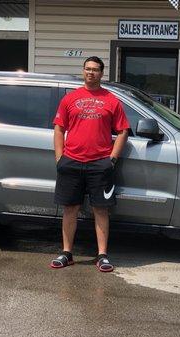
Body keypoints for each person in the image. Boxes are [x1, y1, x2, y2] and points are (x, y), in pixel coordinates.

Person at [50, 56, 129, 272]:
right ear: (83, 71)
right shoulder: (70, 99)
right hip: (71, 161)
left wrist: (111, 159)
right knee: (70, 208)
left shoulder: (112, 100)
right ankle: (67, 253)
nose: (91, 72)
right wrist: (60, 157)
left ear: (102, 73)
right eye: (87, 69)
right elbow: (58, 127)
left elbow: (123, 131)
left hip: (100, 164)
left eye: (95, 69)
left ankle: (102, 255)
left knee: (101, 209)